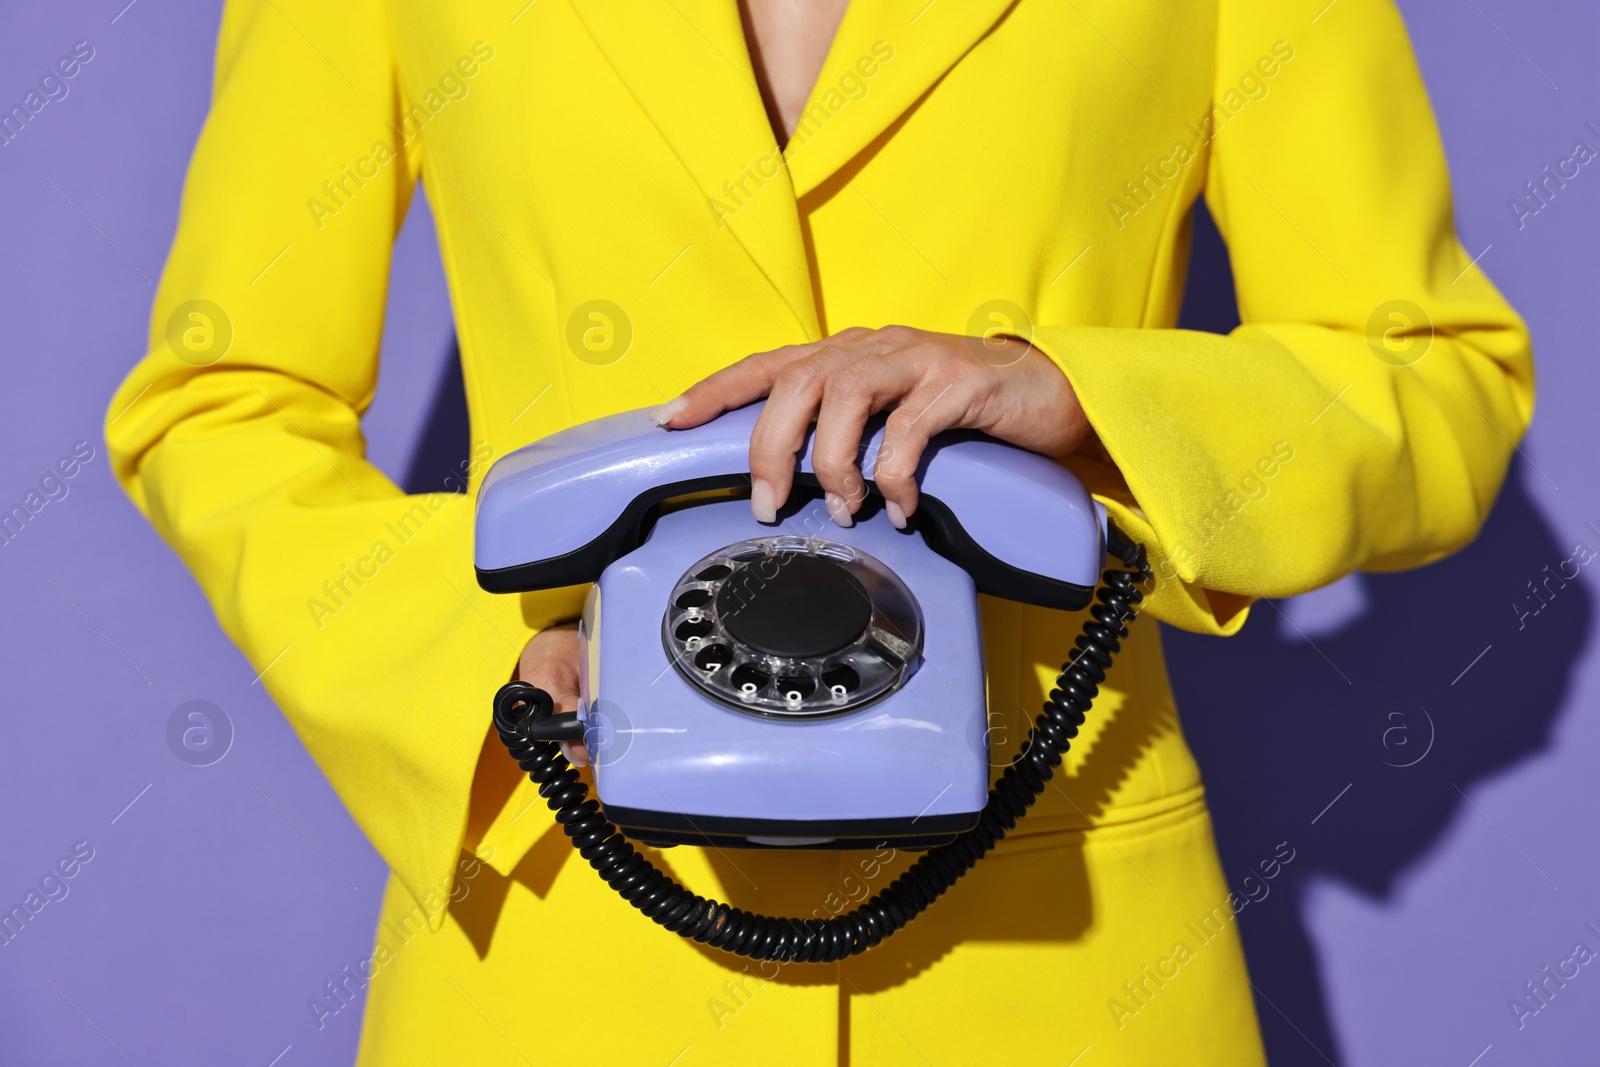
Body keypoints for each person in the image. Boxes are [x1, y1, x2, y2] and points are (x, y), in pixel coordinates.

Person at [105, 0, 1532, 1062]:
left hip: (1068, 943)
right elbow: (220, 398)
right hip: (567, 932)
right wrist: (466, 669)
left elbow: (1441, 379)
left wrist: (1084, 397)